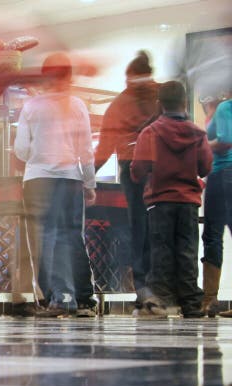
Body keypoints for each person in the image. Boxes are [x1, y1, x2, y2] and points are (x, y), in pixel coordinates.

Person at [13, 53, 98, 318]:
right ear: (69, 76)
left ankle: (58, 299)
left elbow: (21, 150)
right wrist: (89, 182)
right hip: (71, 178)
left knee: (45, 239)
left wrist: (38, 155)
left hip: (38, 179)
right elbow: (86, 149)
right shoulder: (77, 105)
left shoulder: (31, 106)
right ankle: (84, 299)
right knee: (74, 236)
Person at [131, 81, 213, 317]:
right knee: (187, 251)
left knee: (161, 252)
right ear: (185, 103)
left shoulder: (151, 132)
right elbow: (205, 167)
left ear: (159, 104)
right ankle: (191, 303)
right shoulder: (198, 133)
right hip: (188, 202)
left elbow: (137, 170)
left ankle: (162, 301)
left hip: (160, 201)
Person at [94, 51, 159, 309]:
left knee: (139, 227)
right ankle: (165, 286)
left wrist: (89, 174)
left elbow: (106, 143)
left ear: (130, 76)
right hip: (161, 169)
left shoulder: (121, 103)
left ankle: (144, 287)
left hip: (132, 168)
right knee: (161, 228)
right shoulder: (161, 95)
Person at [200, 91, 232, 318]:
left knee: (212, 234)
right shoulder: (220, 109)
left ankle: (210, 300)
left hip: (222, 173)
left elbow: (223, 142)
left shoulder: (225, 108)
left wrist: (201, 144)